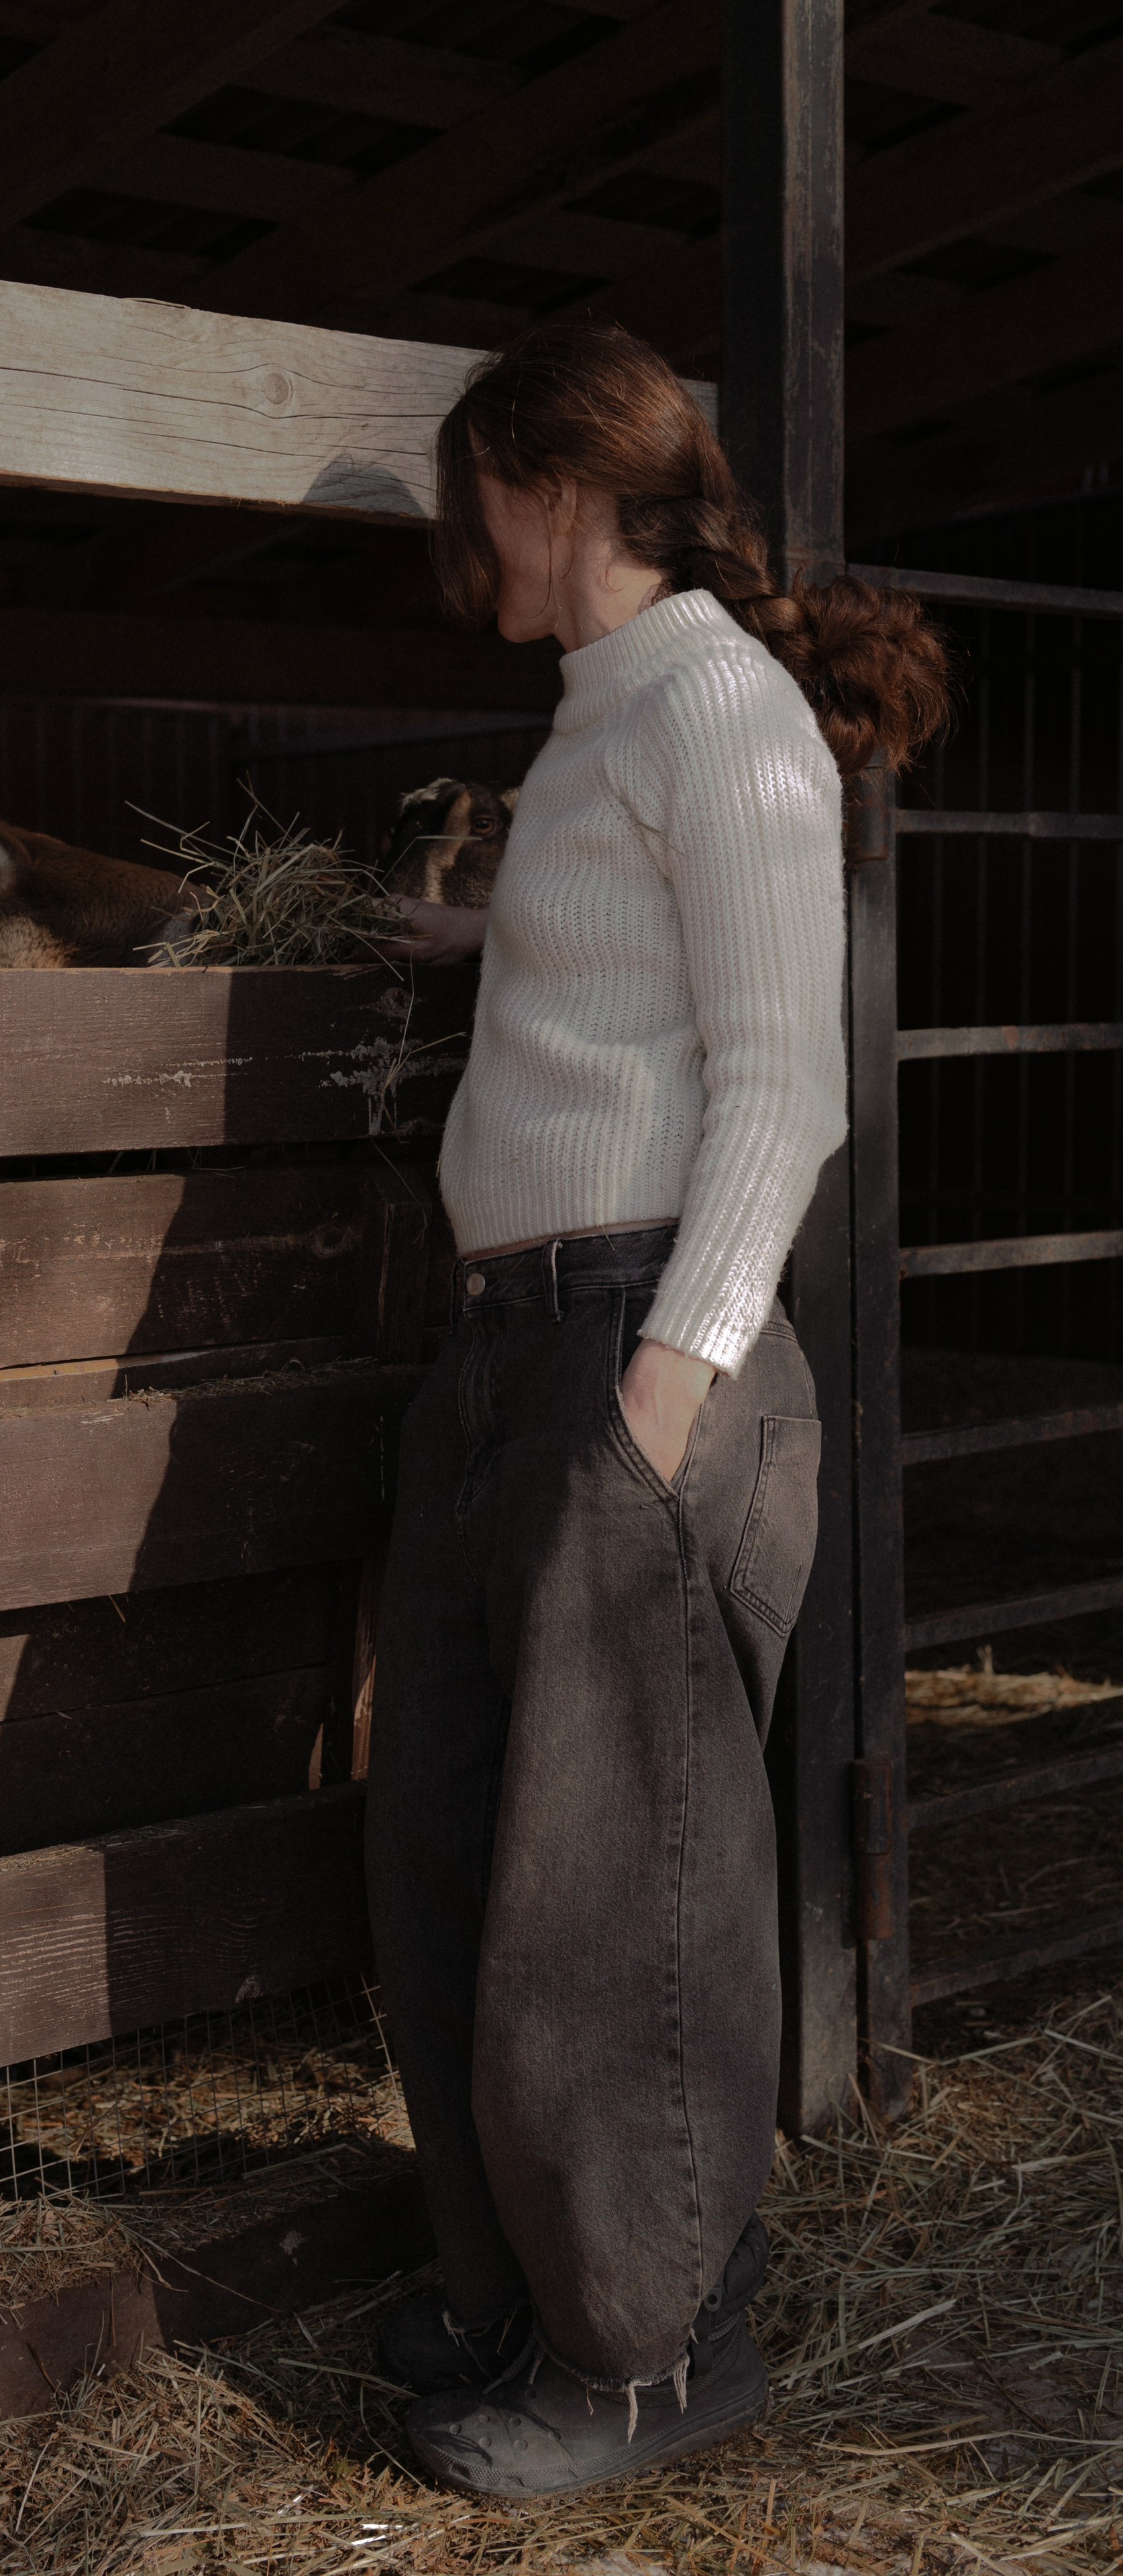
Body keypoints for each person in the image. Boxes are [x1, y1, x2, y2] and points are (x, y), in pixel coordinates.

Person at [365, 321, 947, 2501]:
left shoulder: (724, 712)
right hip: (513, 1337)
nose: (467, 550)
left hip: (634, 1339)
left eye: (471, 506)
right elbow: (627, 995)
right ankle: (519, 2287)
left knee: (620, 1888)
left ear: (547, 486)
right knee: (451, 1842)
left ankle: (648, 2354)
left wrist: (665, 1392)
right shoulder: (608, 716)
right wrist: (462, 948)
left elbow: (784, 1082)